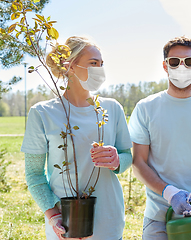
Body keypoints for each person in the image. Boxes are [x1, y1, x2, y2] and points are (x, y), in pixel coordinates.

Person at [21, 36, 132, 240]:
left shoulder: (112, 108)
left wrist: (118, 161)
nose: (100, 69)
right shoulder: (42, 113)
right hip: (65, 223)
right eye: (93, 63)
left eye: (101, 64)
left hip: (109, 219)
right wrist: (53, 215)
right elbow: (34, 174)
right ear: (69, 66)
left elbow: (127, 156)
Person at [128, 36, 191, 240]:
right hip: (158, 217)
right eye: (174, 62)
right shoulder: (145, 108)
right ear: (165, 66)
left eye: (189, 62)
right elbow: (139, 163)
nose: (182, 67)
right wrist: (168, 192)